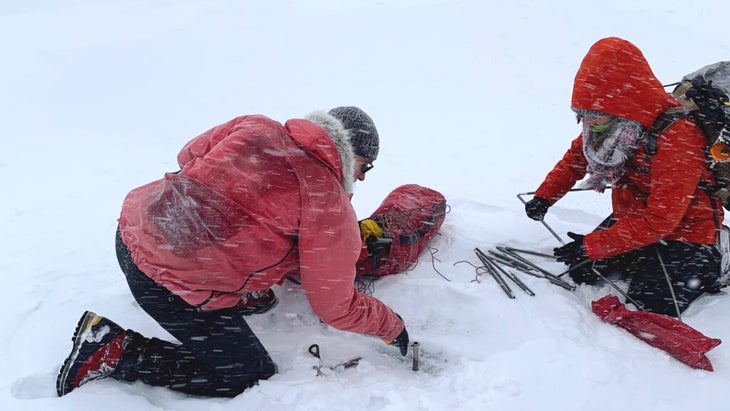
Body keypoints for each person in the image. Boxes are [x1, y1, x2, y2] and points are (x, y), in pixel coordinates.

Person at [56, 106, 409, 397]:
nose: (362, 178)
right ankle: (113, 350)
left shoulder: (256, 126)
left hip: (131, 231)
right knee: (245, 373)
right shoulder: (326, 202)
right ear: (353, 154)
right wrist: (391, 325)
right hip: (166, 285)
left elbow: (187, 155)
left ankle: (236, 289)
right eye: (367, 167)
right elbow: (335, 305)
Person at [524, 37, 723, 317]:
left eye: (595, 114)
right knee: (582, 271)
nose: (588, 121)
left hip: (688, 229)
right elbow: (574, 161)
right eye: (582, 113)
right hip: (634, 217)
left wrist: (594, 245)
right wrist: (544, 198)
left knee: (652, 303)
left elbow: (663, 218)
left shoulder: (677, 136)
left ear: (625, 106)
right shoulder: (609, 126)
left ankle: (715, 259)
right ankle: (644, 255)